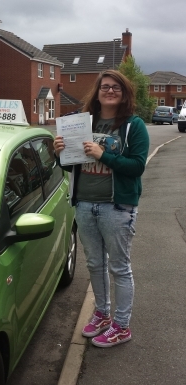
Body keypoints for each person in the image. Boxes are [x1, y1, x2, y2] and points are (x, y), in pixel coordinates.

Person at [53, 70, 149, 347]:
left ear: (125, 92)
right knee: (95, 264)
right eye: (105, 86)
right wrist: (60, 153)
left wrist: (103, 154)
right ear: (96, 92)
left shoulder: (133, 126)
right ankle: (102, 315)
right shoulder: (82, 123)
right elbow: (70, 166)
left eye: (116, 87)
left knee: (119, 268)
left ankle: (121, 325)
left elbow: (137, 167)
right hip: (84, 204)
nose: (110, 91)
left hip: (117, 208)